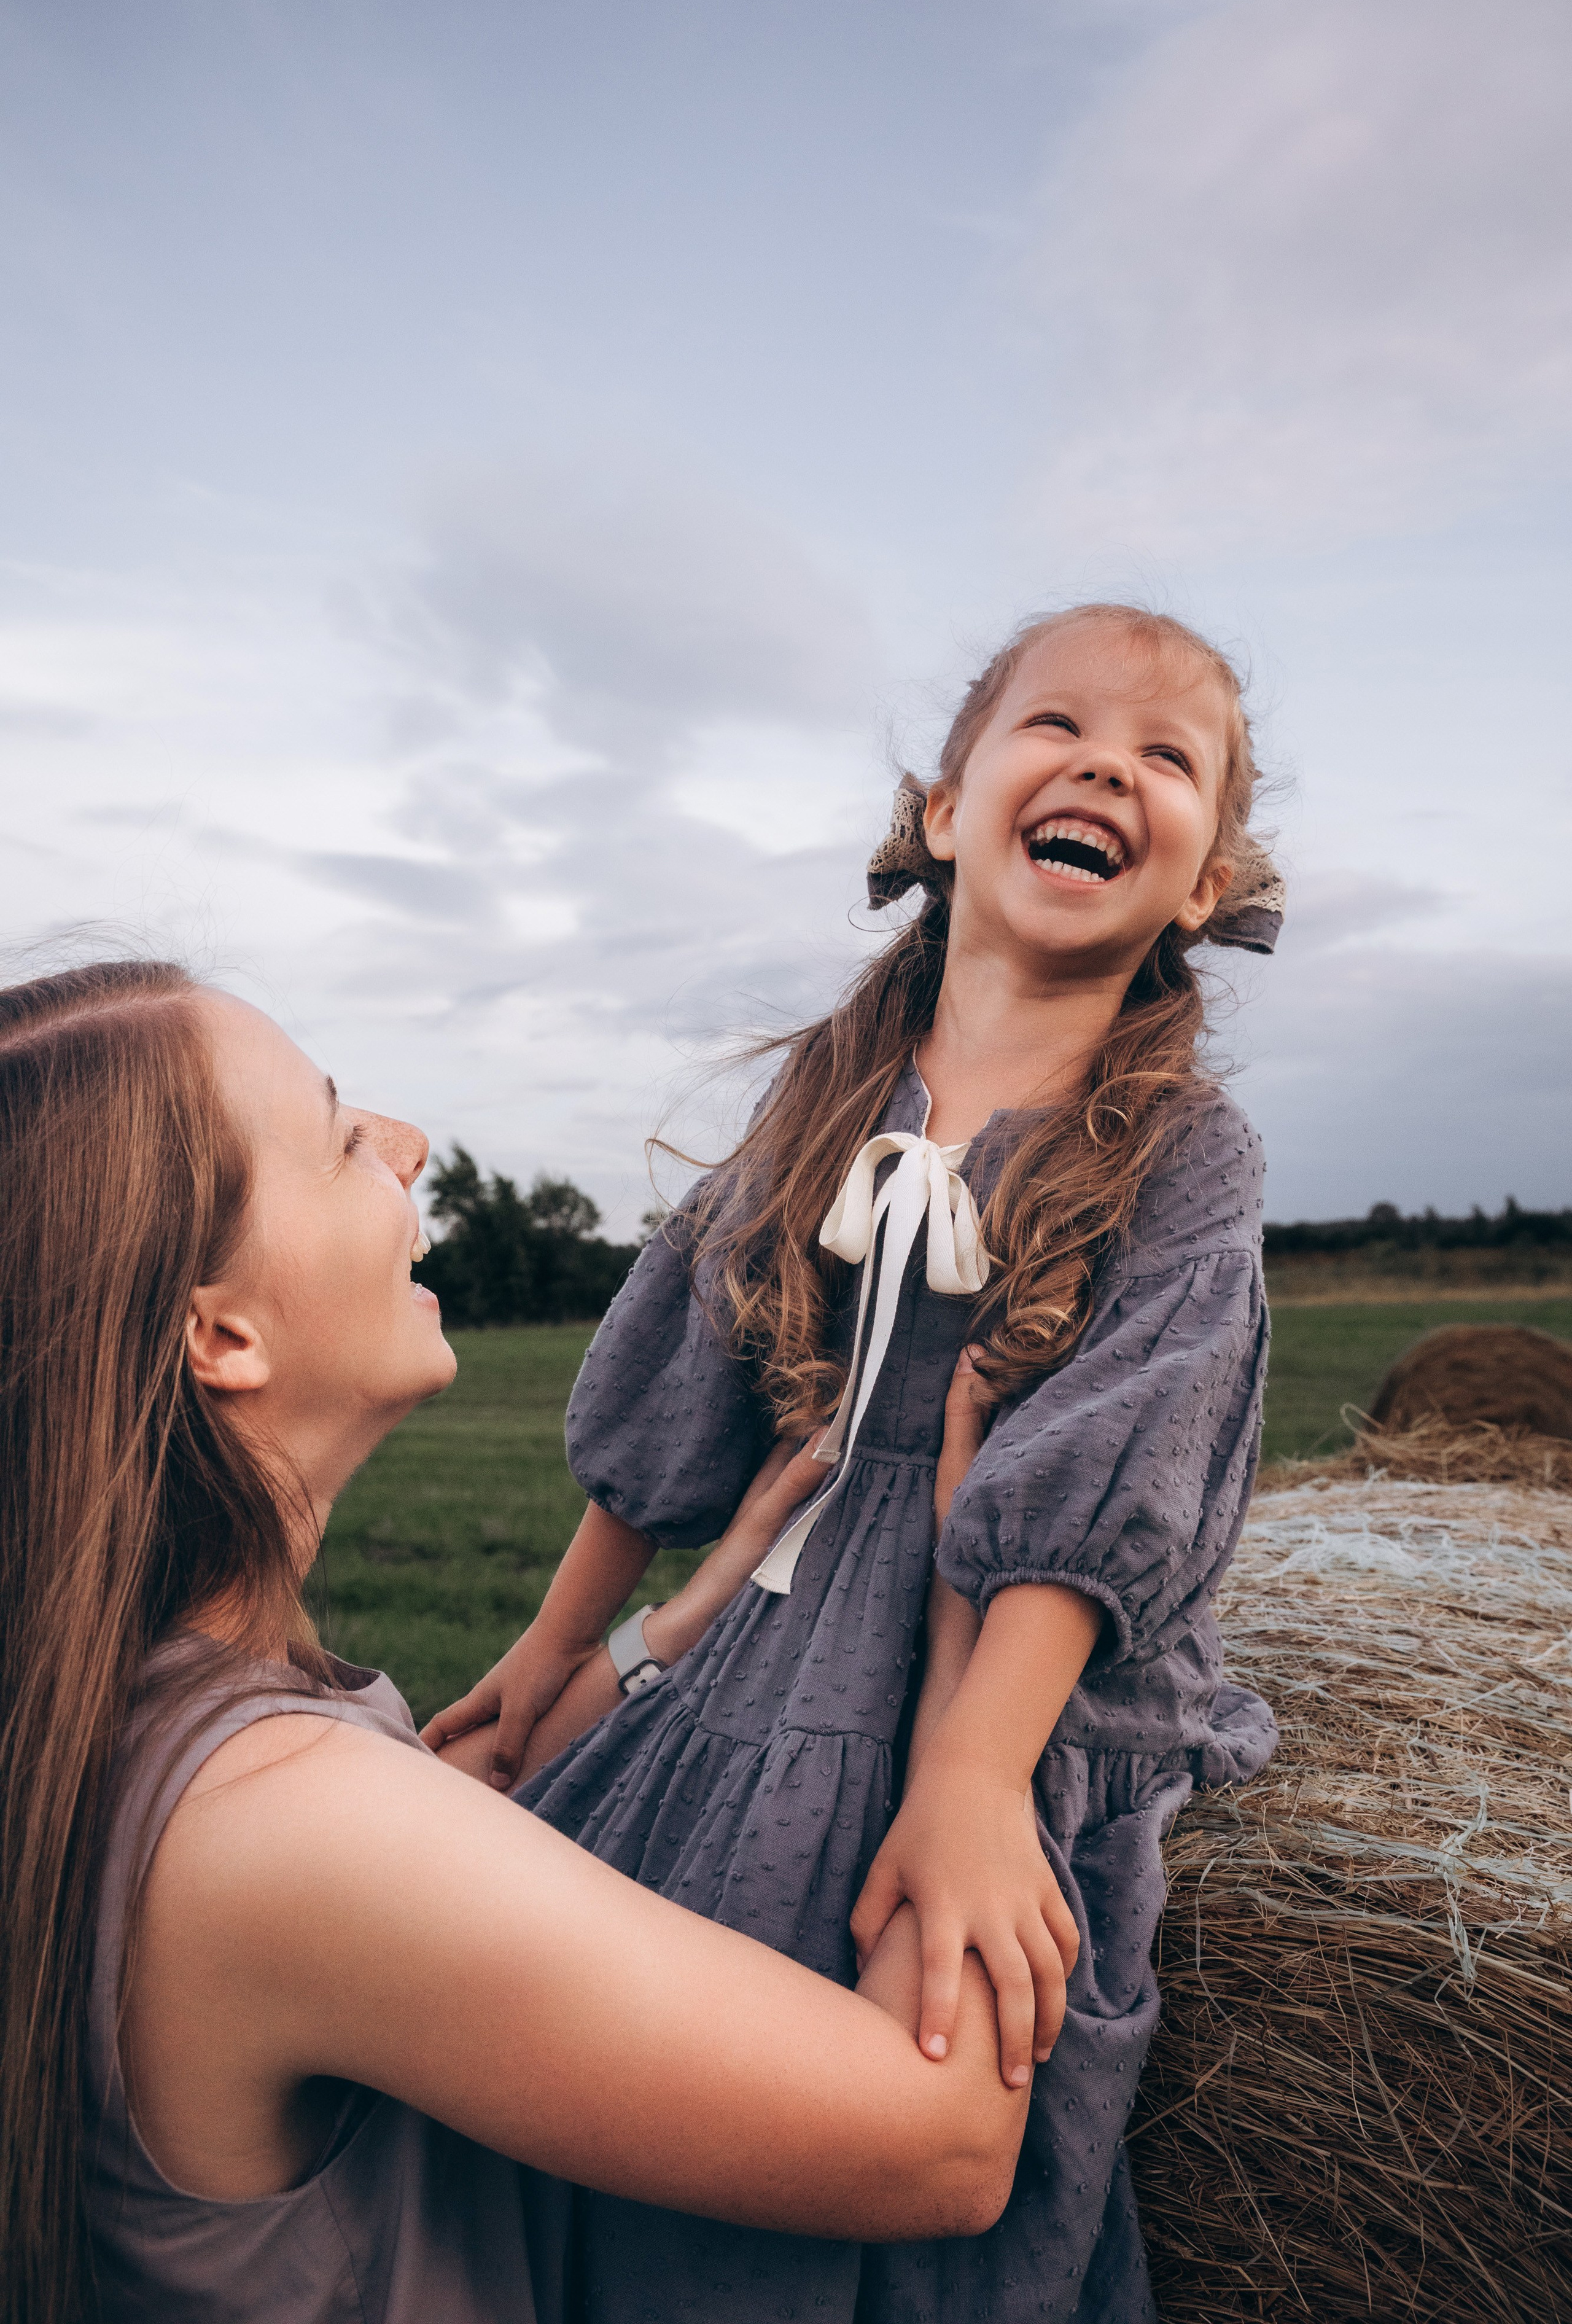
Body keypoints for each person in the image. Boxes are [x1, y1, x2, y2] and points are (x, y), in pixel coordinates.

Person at [424, 603, 1286, 2323]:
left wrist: (972, 1783)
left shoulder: (1185, 1154)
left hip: (1004, 1682)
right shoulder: (829, 1105)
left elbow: (1111, 1468)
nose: (1106, 760)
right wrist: (550, 1647)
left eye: (1166, 756)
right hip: (774, 1639)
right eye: (1055, 726)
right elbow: (681, 1380)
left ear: (1200, 888)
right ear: (945, 815)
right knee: (618, 1997)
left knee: (930, 2043)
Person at [0, 961, 1032, 2324]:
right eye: (336, 1136)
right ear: (221, 1335)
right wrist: (964, 1619)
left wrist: (690, 1603)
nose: (407, 1143)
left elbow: (451, 1815)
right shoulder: (273, 1832)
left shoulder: (138, 1711)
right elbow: (941, 2143)